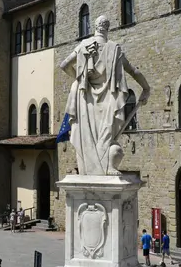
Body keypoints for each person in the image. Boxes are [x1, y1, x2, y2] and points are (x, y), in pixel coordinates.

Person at [59, 15, 151, 176]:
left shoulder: (83, 46)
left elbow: (64, 65)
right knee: (107, 140)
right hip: (109, 102)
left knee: (87, 139)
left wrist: (80, 79)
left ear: (94, 27)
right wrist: (146, 88)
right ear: (107, 29)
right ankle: (107, 166)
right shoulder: (114, 49)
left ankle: (90, 169)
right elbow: (134, 71)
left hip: (85, 102)